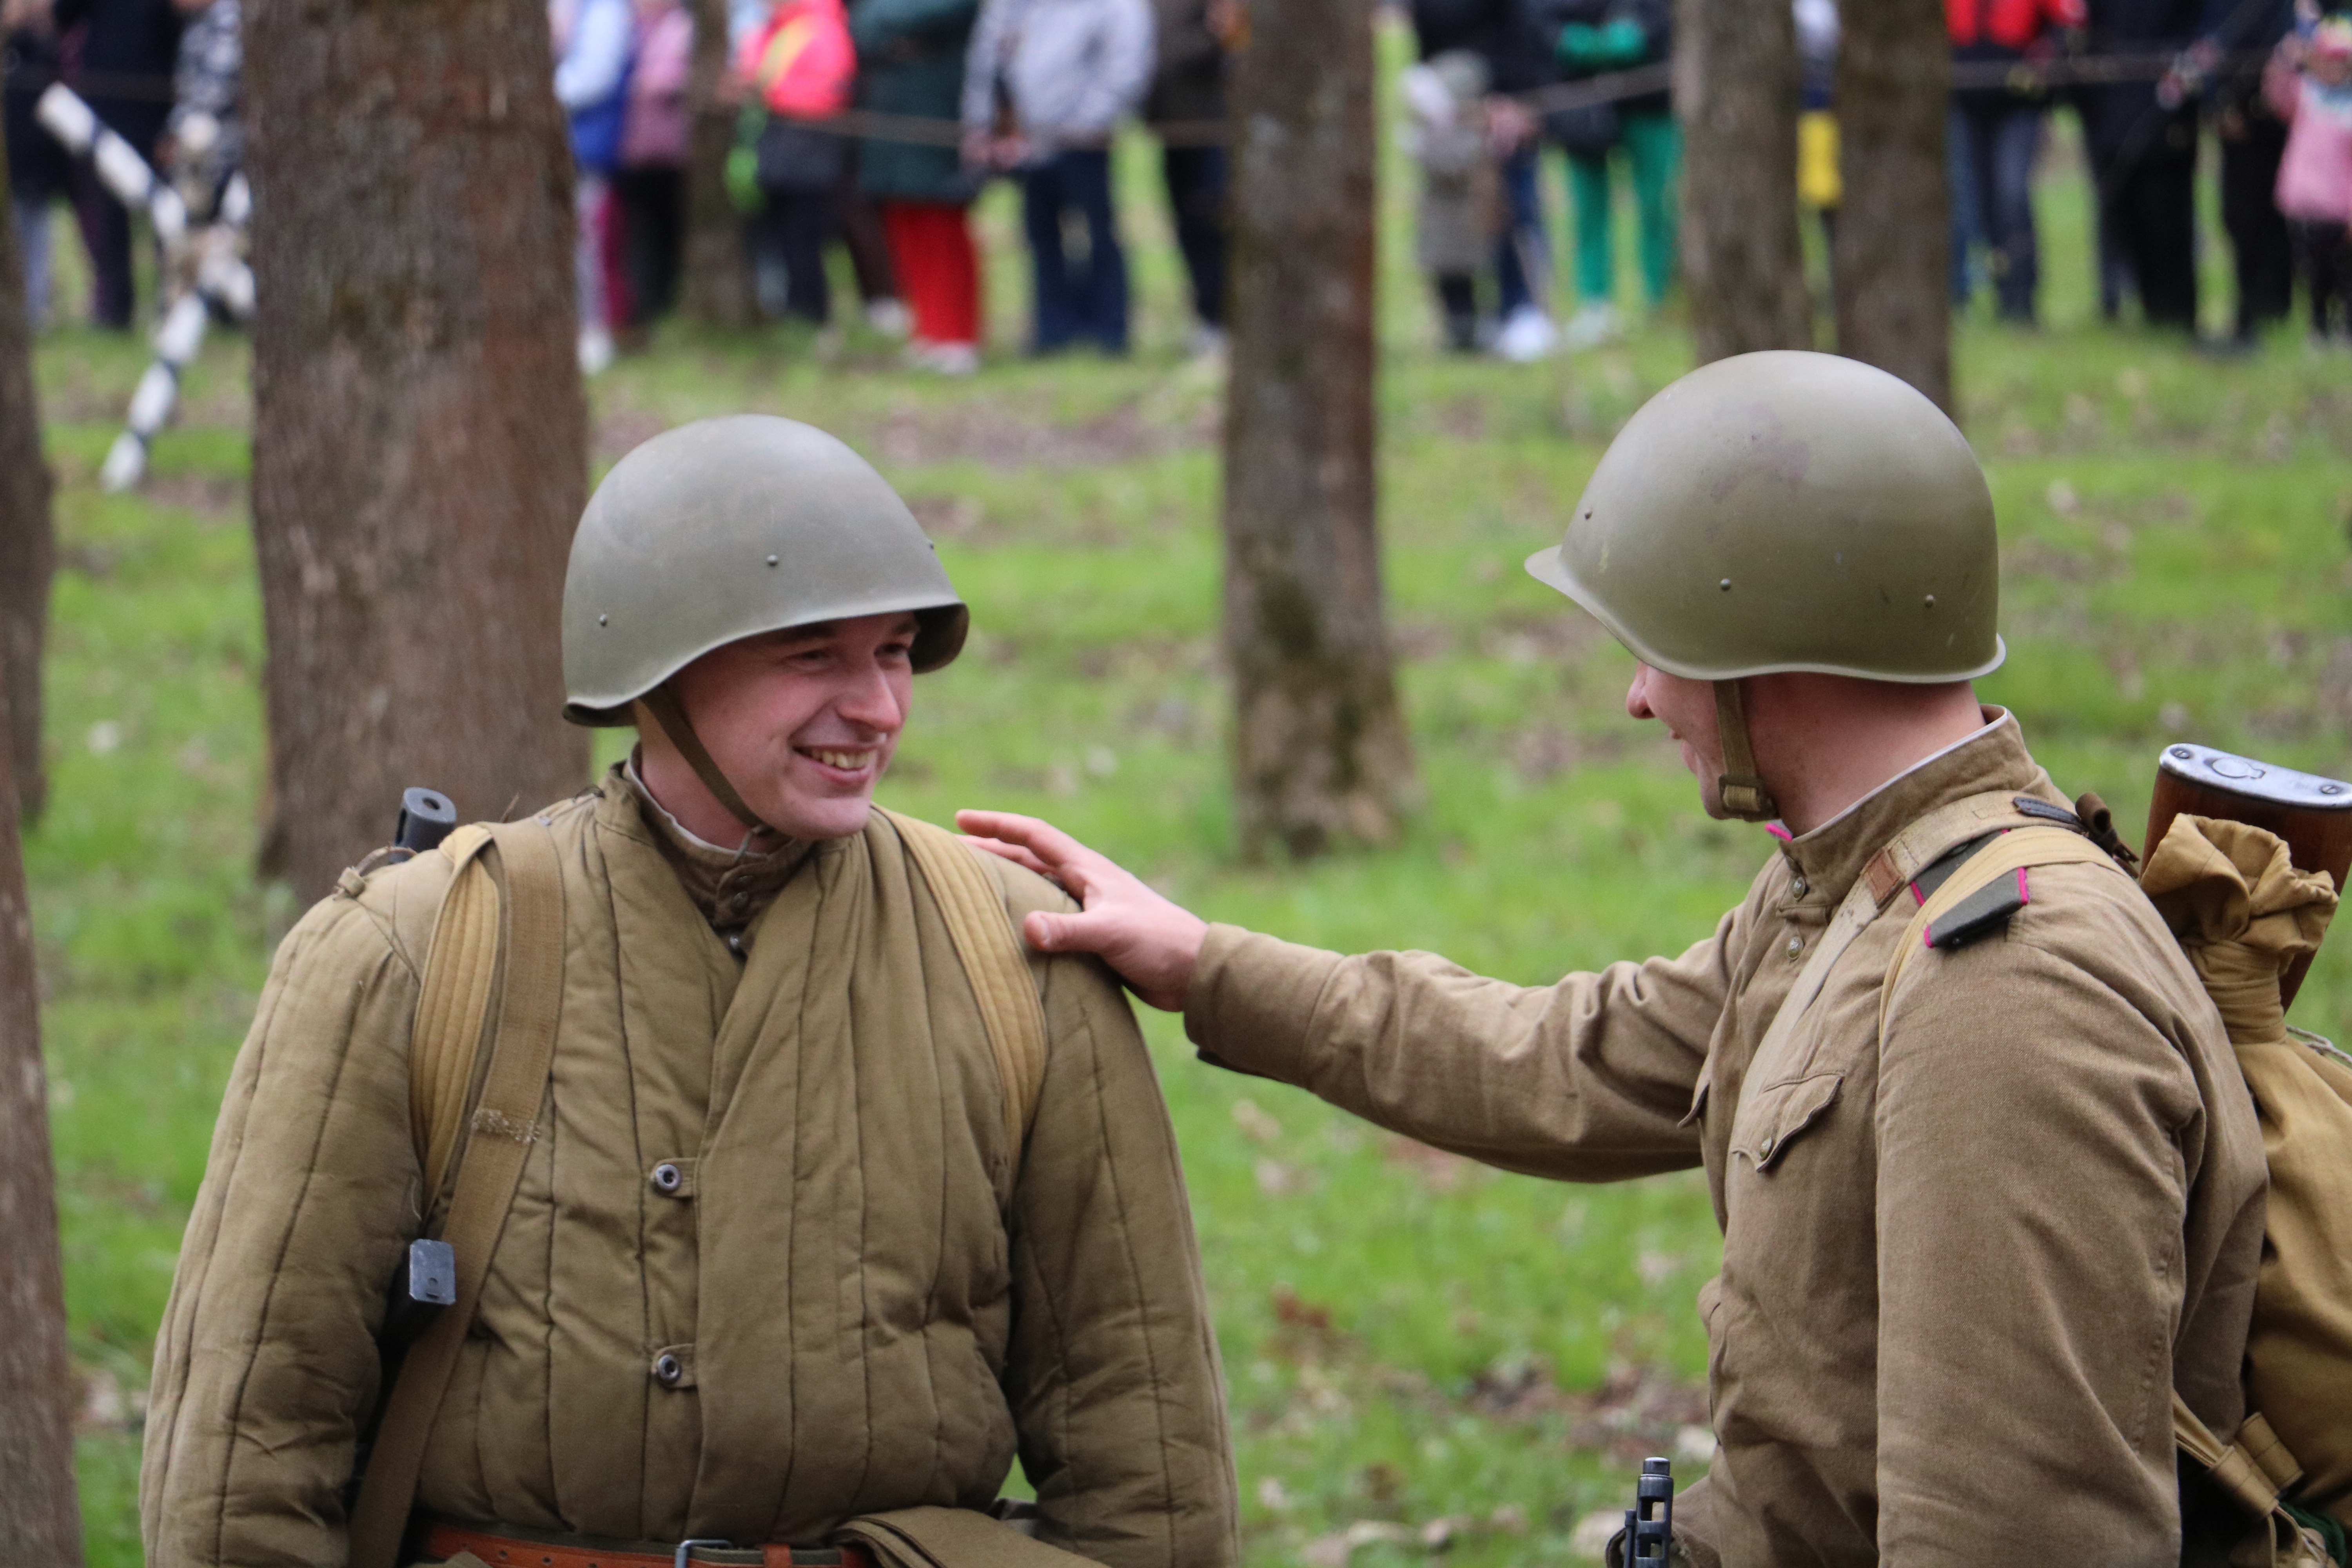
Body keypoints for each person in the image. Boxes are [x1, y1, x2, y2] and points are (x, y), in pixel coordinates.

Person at [960, 351, 2272, 1566]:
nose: (1637, 698)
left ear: (1762, 642)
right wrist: (1209, 964)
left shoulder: (2005, 990)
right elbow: (1569, 1060)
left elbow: (2014, 1535)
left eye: (1654, 647)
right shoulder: (1860, 889)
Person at [139, 416, 1240, 1568]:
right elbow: (249, 1446)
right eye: (813, 654)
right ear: (660, 674)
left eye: (896, 651)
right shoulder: (407, 953)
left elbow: (1146, 1452)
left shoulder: (1018, 952)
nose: (876, 708)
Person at [962, 0, 1155, 356]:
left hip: (1085, 140)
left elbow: (1125, 67)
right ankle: (1052, 329)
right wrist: (984, 125)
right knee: (1041, 235)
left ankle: (1109, 330)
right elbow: (988, 60)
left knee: (1098, 233)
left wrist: (1086, 124)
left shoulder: (1115, 6)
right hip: (1025, 140)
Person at [1412, 0, 1559, 360]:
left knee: (1516, 209)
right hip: (1450, 110)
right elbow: (1426, 37)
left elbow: (1524, 32)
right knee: (1453, 218)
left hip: (1508, 105)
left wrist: (1516, 102)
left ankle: (1523, 309)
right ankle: (1463, 319)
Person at [1533, 0, 1675, 350]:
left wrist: (1629, 39)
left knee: (1658, 204)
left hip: (1651, 103)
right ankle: (1594, 304)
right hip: (1583, 108)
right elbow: (1541, 23)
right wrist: (1581, 44)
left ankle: (1660, 298)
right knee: (1588, 210)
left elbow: (1664, 22)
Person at [851, 0, 984, 372]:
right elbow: (862, 25)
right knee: (905, 226)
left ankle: (957, 335)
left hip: (938, 119)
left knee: (942, 228)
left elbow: (907, 15)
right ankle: (929, 328)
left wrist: (888, 27)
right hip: (893, 124)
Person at [1946, 0, 2083, 325]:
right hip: (1964, 100)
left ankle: (2019, 301)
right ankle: (1969, 295)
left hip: (2018, 103)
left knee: (2012, 196)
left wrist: (2043, 59)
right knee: (1972, 200)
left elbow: (2070, 23)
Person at [54, 0, 183, 328]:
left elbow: (179, 26)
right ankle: (114, 311)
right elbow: (63, 16)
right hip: (103, 110)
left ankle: (171, 308)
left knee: (166, 217)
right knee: (109, 220)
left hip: (157, 108)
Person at [2084, 0, 2205, 328]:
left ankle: (2176, 313)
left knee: (2168, 217)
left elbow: (2196, 30)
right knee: (2126, 216)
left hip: (2167, 115)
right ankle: (2148, 310)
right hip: (2112, 112)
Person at [736, 0, 855, 327]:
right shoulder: (778, 29)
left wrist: (769, 94)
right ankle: (790, 310)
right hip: (776, 151)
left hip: (809, 152)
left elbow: (829, 91)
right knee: (780, 237)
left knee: (806, 239)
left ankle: (813, 314)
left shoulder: (822, 28)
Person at [2200, 0, 2297, 343]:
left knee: (2275, 218)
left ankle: (2271, 310)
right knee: (2238, 217)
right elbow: (2210, 45)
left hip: (2279, 119)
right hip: (2235, 120)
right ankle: (2250, 309)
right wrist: (2219, 107)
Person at [1145, 0, 1231, 356]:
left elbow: (1230, 38)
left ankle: (1226, 318)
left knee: (1216, 222)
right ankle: (1208, 317)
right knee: (1189, 226)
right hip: (1170, 124)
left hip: (1213, 126)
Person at [554, 0, 635, 372]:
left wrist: (535, 95)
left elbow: (594, 76)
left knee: (590, 243)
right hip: (557, 145)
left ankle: (595, 331)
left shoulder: (605, 10)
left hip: (587, 148)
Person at [1401, 50, 1499, 353]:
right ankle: (1456, 333)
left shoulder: (1472, 130)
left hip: (1465, 228)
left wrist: (1421, 149)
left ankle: (1471, 333)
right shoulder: (1435, 128)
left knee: (1467, 287)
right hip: (1439, 230)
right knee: (1447, 286)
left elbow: (1456, 165)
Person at [2268, 13, 2352, 343]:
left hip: (2341, 212)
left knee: (2345, 274)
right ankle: (2319, 327)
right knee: (2313, 274)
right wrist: (2286, 57)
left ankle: (2346, 327)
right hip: (2305, 207)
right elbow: (2277, 93)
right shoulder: (2307, 97)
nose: (2331, 69)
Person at [613, 0, 692, 334]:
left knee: (668, 233)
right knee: (638, 234)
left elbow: (665, 81)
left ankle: (664, 307)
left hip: (671, 151)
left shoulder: (682, 26)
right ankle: (643, 309)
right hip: (634, 150)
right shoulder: (630, 26)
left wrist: (648, 83)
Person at [3, 0, 71, 328]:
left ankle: (36, 308)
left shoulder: (44, 48)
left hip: (35, 161)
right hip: (12, 160)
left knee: (35, 233)